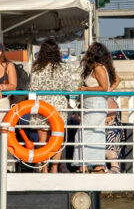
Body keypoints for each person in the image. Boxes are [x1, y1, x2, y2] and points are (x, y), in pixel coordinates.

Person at [25, 39, 74, 172]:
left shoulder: (36, 68)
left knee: (42, 140)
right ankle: (54, 167)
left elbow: (32, 87)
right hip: (58, 107)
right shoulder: (63, 68)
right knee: (57, 140)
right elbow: (70, 87)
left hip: (42, 105)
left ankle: (43, 167)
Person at [78, 42, 119, 172]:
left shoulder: (98, 68)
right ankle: (94, 165)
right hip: (91, 105)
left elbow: (105, 87)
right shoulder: (97, 67)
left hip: (96, 105)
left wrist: (86, 89)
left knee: (86, 134)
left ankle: (90, 165)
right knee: (91, 134)